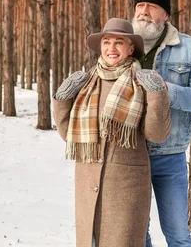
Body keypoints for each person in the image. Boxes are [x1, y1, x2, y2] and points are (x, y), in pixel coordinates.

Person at [52, 18, 172, 247]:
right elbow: (68, 134)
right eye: (106, 42)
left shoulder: (141, 83)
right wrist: (63, 98)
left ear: (131, 48)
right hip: (88, 182)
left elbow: (157, 135)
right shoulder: (87, 84)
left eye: (119, 42)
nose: (112, 48)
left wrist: (157, 94)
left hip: (126, 187)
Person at [131, 0, 191, 247]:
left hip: (170, 156)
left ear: (165, 14)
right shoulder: (120, 46)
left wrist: (166, 90)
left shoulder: (189, 48)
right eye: (139, 5)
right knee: (136, 234)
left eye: (151, 6)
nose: (143, 11)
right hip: (129, 155)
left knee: (178, 234)